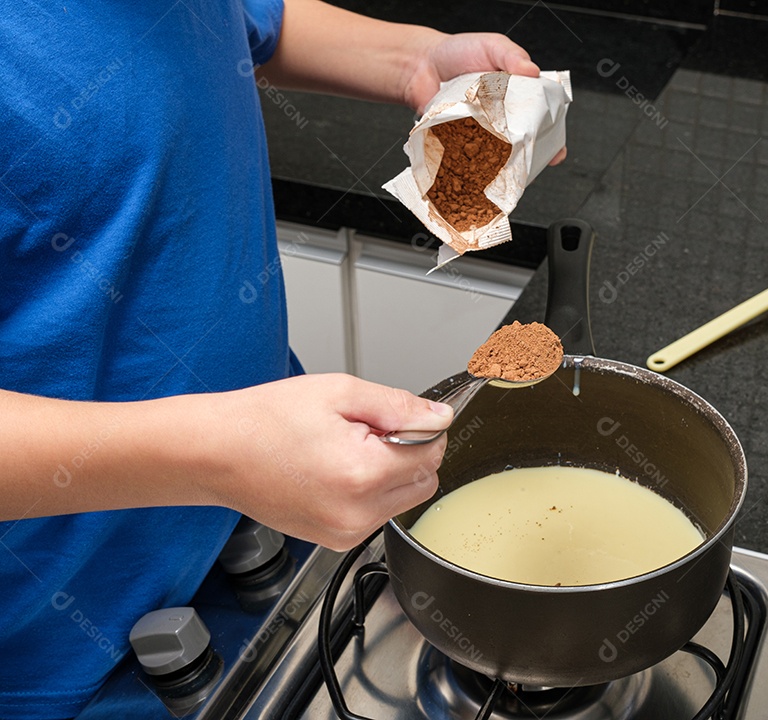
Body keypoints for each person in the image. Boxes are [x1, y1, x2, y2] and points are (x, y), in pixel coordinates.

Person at [0, 0, 553, 716]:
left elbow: (244, 20)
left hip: (265, 540)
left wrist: (414, 60)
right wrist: (218, 455)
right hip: (70, 648)